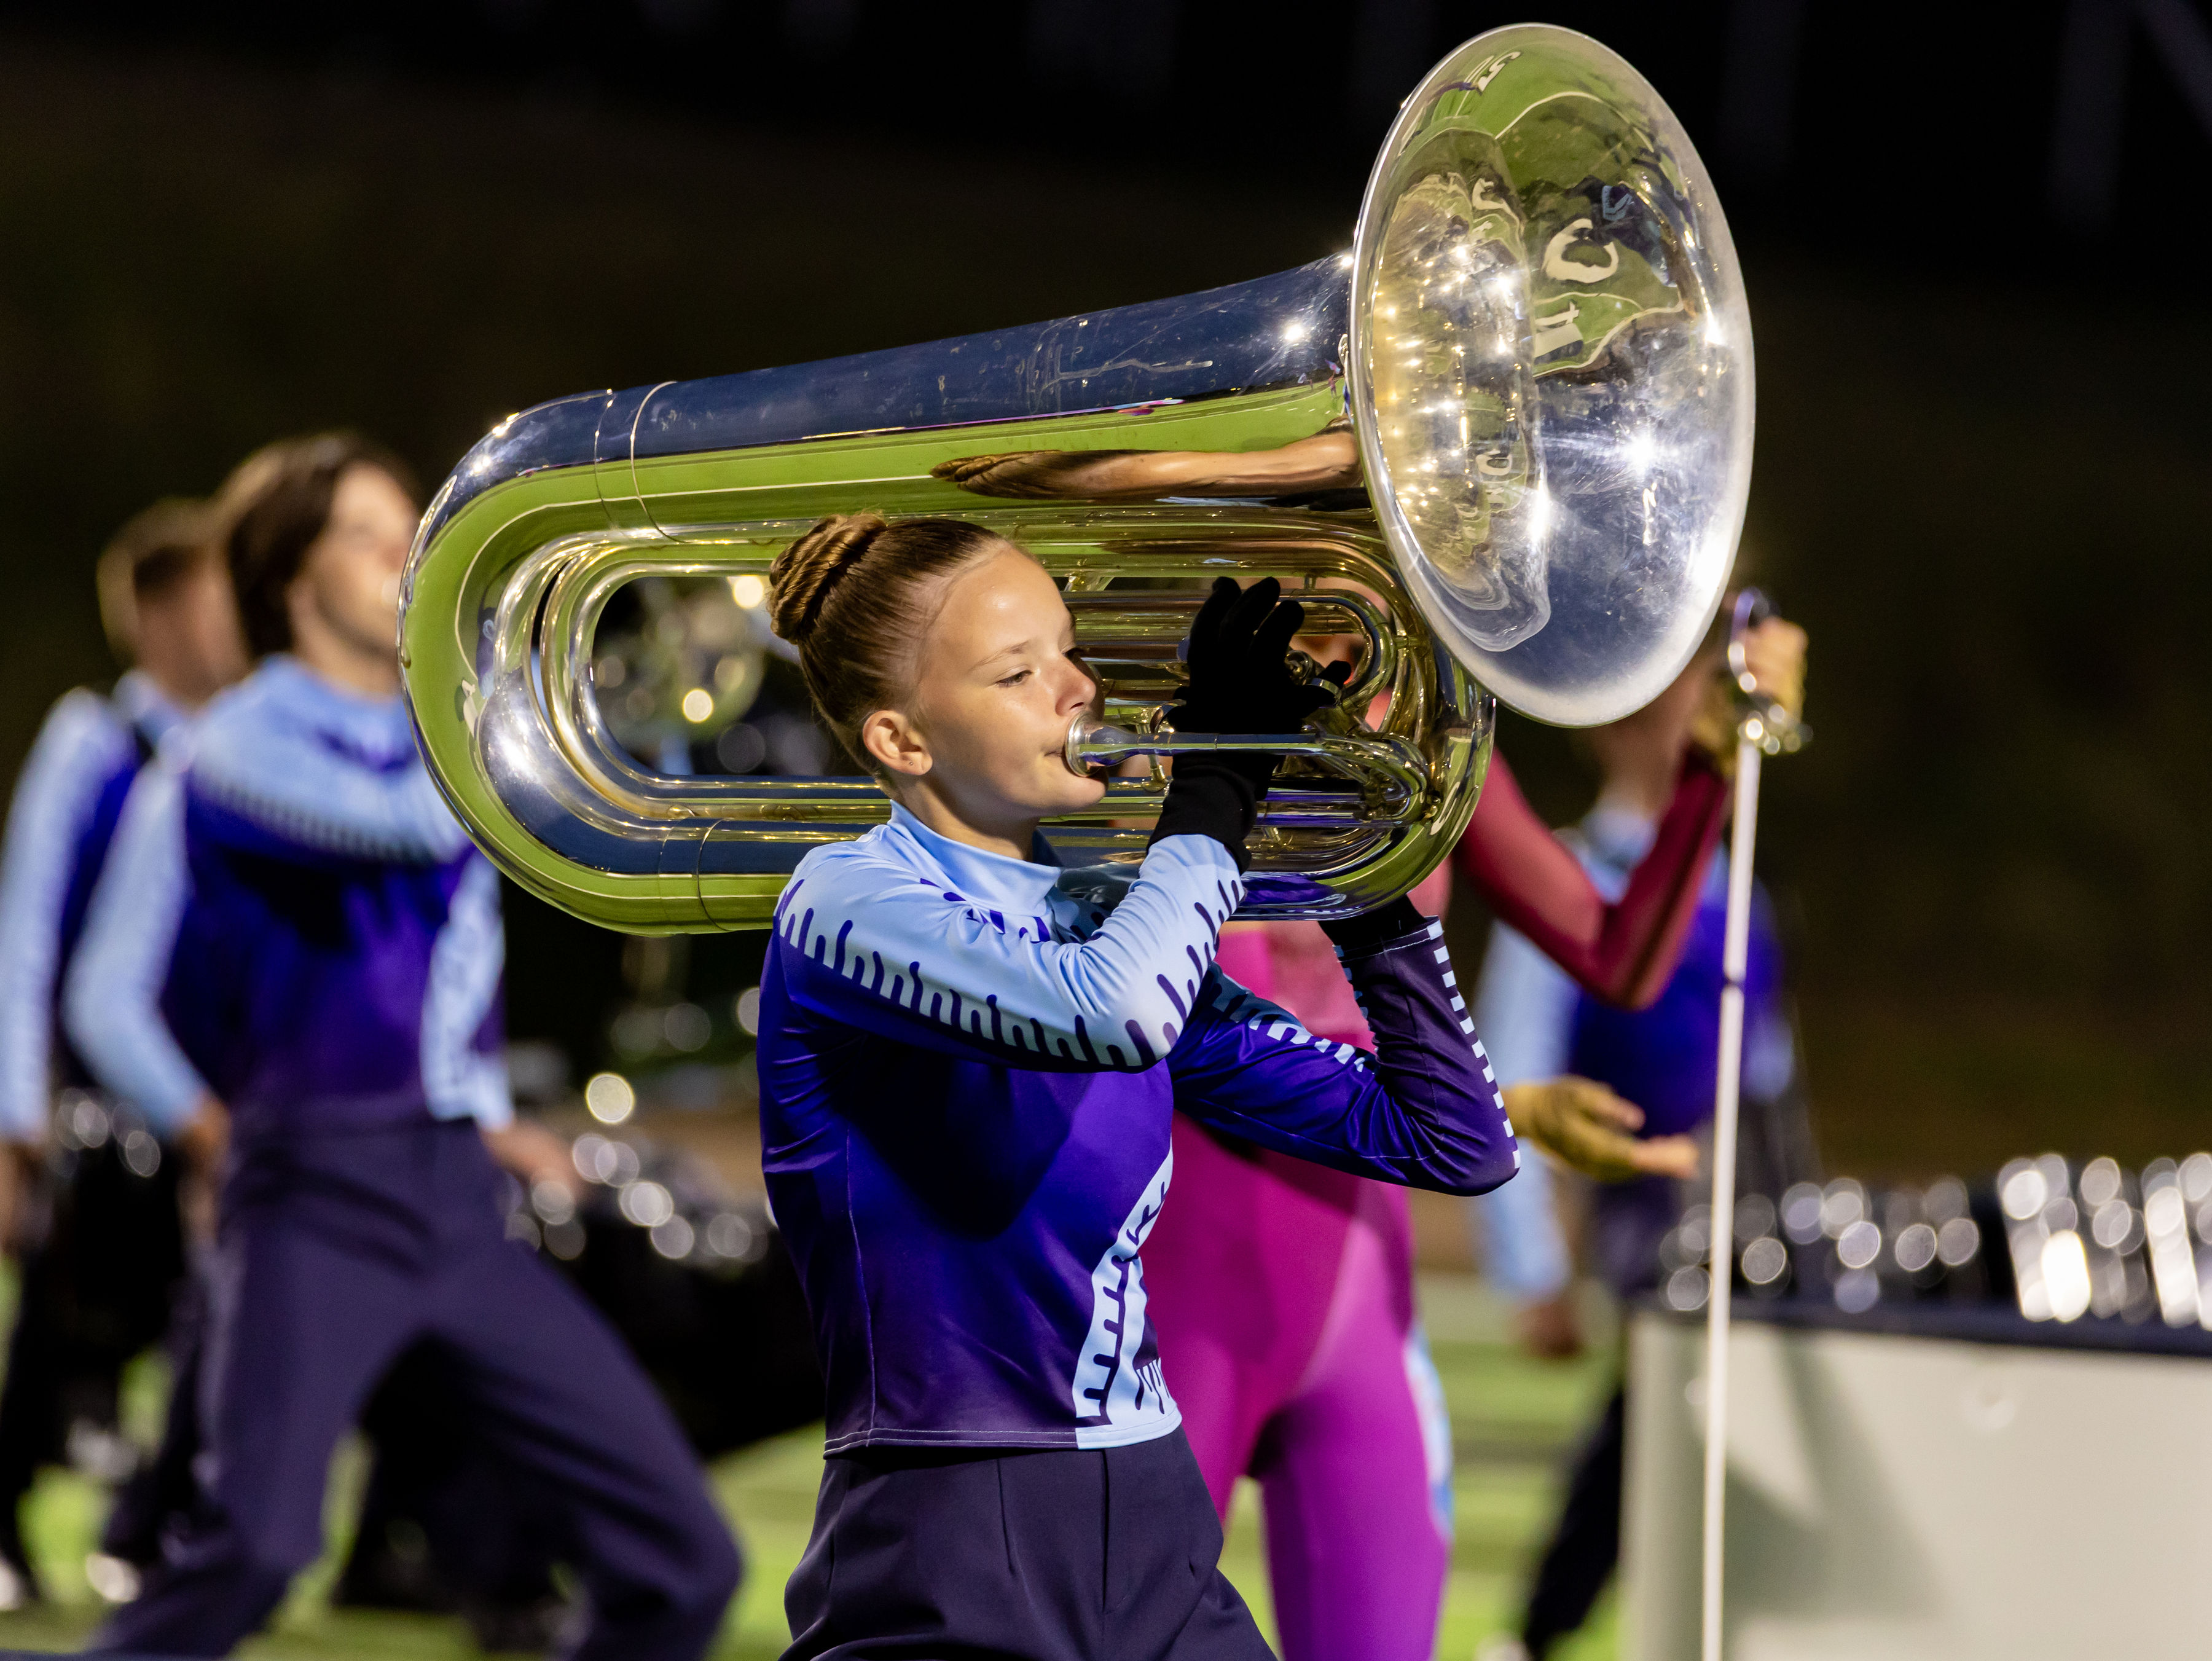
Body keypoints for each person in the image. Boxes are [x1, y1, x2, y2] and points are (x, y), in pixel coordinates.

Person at [754, 512, 1516, 1660]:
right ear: (901, 740)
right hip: (946, 1532)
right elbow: (1113, 1014)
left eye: (1067, 650)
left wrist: (1357, 876)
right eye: (1017, 673)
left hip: (1154, 1521)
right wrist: (1213, 796)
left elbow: (1456, 1141)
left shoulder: (1104, 921)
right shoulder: (843, 901)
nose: (1077, 689)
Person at [63, 433, 740, 1659]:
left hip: (453, 1198)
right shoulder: (236, 741)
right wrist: (205, 1126)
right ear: (290, 577)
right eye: (368, 536)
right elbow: (401, 832)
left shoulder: (440, 734)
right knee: (254, 1554)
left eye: (410, 527)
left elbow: (456, 957)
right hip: (314, 1196)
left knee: (683, 1562)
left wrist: (485, 1109)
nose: (408, 554)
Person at [1469, 629, 1815, 1661]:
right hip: (1647, 1212)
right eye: (1671, 709)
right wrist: (1532, 1266)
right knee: (1659, 1418)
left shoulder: (1741, 886)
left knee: (1707, 1429)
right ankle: (1543, 1629)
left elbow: (1771, 1076)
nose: (1694, 729)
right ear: (1615, 725)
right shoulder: (1572, 874)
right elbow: (1510, 1066)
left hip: (1755, 1206)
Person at [0, 497, 246, 1603]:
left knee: (209, 1323)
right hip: (96, 1104)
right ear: (155, 614)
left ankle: (149, 1531)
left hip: (206, 1098)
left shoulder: (244, 756)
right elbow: (25, 930)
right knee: (63, 1324)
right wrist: (15, 1118)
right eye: (211, 599)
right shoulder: (93, 743)